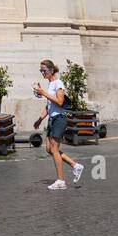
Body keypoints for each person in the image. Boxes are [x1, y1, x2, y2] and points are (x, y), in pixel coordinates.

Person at [33, 59, 83, 190]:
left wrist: (44, 93)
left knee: (54, 149)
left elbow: (60, 102)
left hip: (59, 119)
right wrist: (40, 119)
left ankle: (61, 181)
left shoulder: (58, 83)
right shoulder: (50, 84)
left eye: (44, 70)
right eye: (41, 70)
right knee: (49, 149)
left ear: (51, 70)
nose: (42, 73)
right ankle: (75, 165)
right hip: (52, 119)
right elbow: (49, 106)